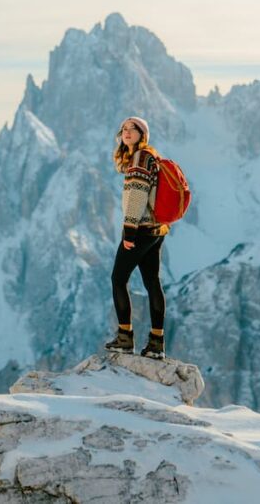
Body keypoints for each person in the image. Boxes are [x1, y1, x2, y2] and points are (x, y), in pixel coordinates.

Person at [104, 116, 170, 359]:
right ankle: (156, 343)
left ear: (143, 135)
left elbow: (137, 196)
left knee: (118, 279)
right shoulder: (148, 157)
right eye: (124, 129)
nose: (127, 132)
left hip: (140, 229)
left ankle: (125, 338)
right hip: (156, 229)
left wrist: (129, 231)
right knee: (152, 282)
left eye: (134, 129)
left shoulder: (140, 158)